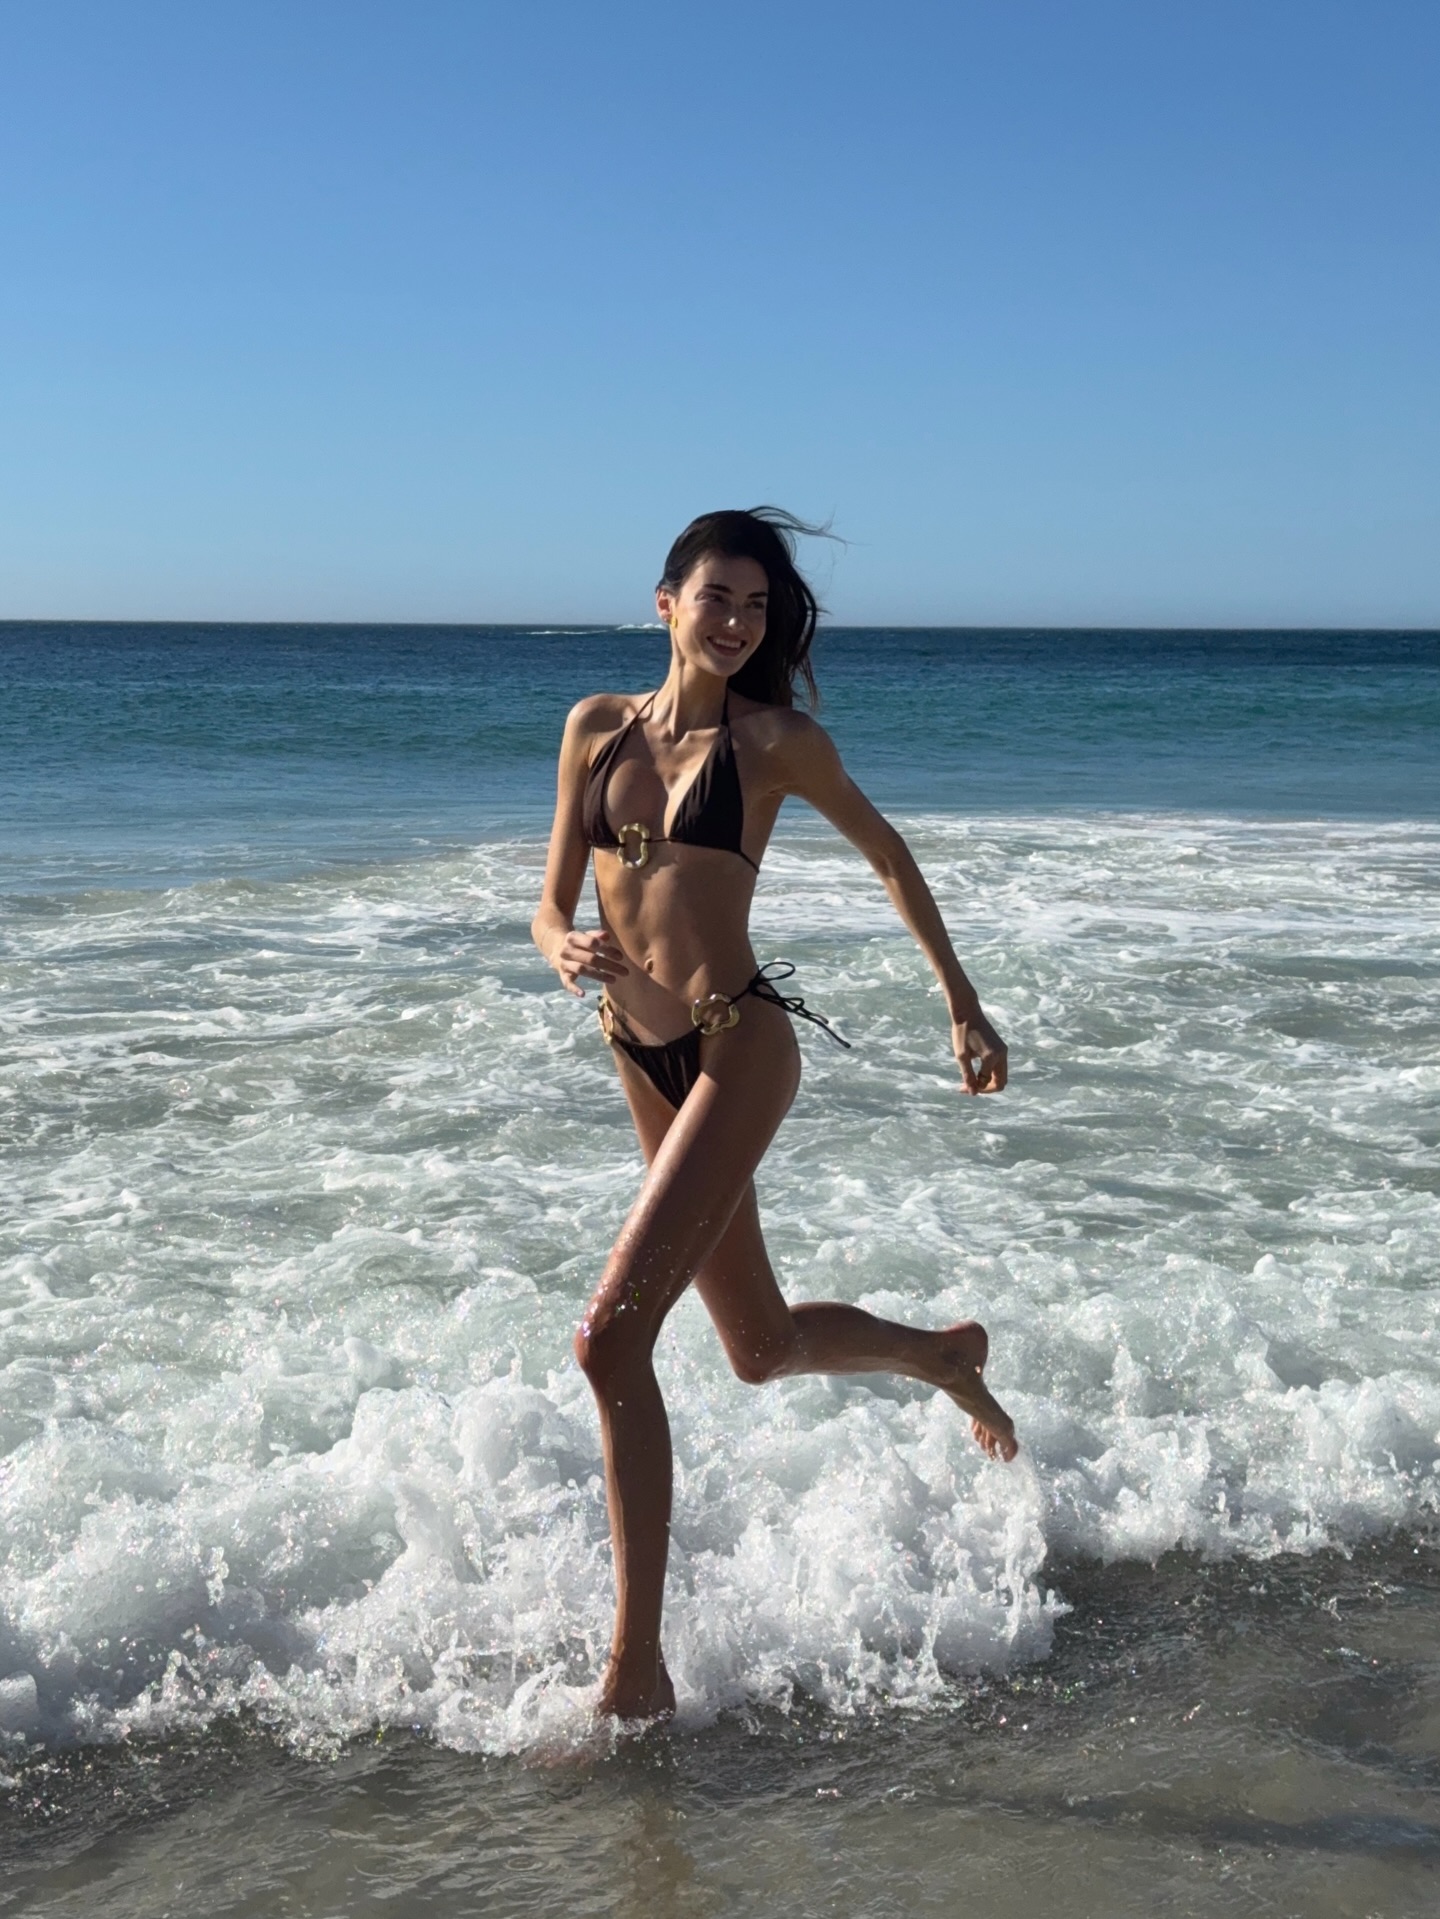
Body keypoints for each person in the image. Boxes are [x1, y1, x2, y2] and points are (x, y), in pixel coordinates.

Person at [531, 507, 1017, 1723]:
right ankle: (940, 1355)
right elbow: (547, 905)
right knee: (755, 1347)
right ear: (666, 603)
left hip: (738, 1045)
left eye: (758, 605)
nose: (740, 622)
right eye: (719, 598)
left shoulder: (777, 742)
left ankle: (634, 1674)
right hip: (638, 1053)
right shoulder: (594, 728)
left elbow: (889, 856)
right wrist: (560, 946)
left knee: (608, 1341)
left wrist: (961, 1002)